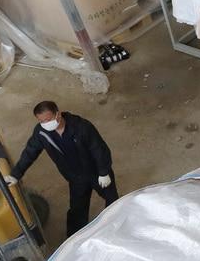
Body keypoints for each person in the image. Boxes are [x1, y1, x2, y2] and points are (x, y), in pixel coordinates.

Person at [8, 101, 119, 237]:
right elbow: (30, 152)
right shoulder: (41, 133)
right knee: (77, 209)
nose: (45, 124)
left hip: (96, 173)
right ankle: (74, 238)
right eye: (41, 121)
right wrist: (16, 174)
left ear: (58, 114)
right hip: (75, 177)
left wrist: (104, 171)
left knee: (112, 200)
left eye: (48, 119)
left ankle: (116, 227)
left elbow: (98, 149)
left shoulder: (81, 127)